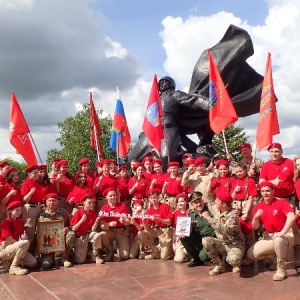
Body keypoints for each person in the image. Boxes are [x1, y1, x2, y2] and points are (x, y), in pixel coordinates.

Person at [247, 181, 295, 281]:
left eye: (268, 191)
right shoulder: (259, 206)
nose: (265, 193)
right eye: (263, 191)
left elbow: (291, 217)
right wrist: (256, 218)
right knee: (251, 254)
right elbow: (255, 227)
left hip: (286, 235)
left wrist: (282, 232)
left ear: (273, 191)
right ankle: (273, 256)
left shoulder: (281, 202)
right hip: (269, 236)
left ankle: (281, 269)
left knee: (278, 240)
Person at [202, 192, 245, 276]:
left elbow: (225, 229)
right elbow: (206, 204)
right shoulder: (217, 210)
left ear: (224, 204)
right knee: (206, 241)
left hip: (234, 245)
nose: (215, 201)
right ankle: (219, 265)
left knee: (234, 260)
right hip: (221, 244)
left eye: (217, 200)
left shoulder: (233, 216)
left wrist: (208, 218)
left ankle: (236, 263)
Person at [0, 201, 37, 275]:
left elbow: (22, 235)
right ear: (10, 211)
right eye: (16, 210)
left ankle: (9, 262)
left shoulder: (19, 221)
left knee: (33, 262)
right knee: (25, 243)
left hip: (16, 247)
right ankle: (14, 267)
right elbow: (9, 240)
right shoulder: (5, 222)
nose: (19, 212)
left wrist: (24, 237)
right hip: (5, 248)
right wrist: (21, 243)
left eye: (20, 210)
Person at [39, 193, 75, 269]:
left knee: (71, 234)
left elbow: (72, 224)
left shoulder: (63, 212)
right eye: (50, 201)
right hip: (47, 243)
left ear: (57, 202)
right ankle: (49, 256)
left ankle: (64, 257)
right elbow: (39, 232)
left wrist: (67, 228)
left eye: (53, 200)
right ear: (46, 202)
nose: (51, 202)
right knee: (46, 265)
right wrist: (42, 247)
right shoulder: (42, 214)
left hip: (61, 239)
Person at [180, 192, 215, 267]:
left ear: (202, 200)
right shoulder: (191, 215)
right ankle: (196, 259)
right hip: (201, 240)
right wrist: (185, 233)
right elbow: (192, 230)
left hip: (212, 240)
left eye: (199, 201)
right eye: (195, 203)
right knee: (184, 238)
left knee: (203, 257)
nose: (198, 204)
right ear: (192, 205)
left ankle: (216, 257)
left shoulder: (211, 210)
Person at [138, 188, 173, 260]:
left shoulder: (165, 206)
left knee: (164, 257)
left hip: (165, 230)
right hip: (157, 230)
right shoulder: (150, 210)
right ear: (149, 199)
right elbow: (147, 228)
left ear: (158, 197)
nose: (153, 199)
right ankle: (156, 251)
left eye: (155, 197)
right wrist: (143, 220)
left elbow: (169, 222)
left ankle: (170, 251)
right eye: (151, 198)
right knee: (141, 234)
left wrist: (158, 219)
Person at [70, 193, 103, 264]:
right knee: (80, 261)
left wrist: (97, 220)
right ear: (83, 203)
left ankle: (96, 255)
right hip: (80, 237)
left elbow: (93, 229)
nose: (91, 204)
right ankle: (74, 252)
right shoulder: (78, 213)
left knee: (97, 235)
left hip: (88, 234)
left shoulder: (93, 213)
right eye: (89, 202)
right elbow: (73, 229)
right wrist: (81, 220)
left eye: (92, 203)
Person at [99, 187, 130, 262]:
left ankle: (119, 246)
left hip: (121, 231)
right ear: (106, 197)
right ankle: (110, 250)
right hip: (110, 231)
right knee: (103, 234)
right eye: (110, 196)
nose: (113, 197)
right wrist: (109, 224)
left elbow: (128, 222)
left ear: (116, 196)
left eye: (114, 195)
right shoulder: (104, 209)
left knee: (125, 256)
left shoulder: (122, 206)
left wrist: (123, 221)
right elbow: (102, 225)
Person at [21, 164, 44, 253]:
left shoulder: (36, 184)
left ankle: (35, 253)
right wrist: (30, 193)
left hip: (38, 207)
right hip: (30, 207)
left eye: (37, 173)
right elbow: (25, 199)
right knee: (30, 232)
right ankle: (27, 254)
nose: (37, 175)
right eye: (34, 173)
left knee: (38, 231)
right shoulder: (25, 184)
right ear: (29, 174)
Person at [172, 193, 189, 263]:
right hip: (180, 238)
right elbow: (174, 229)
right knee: (179, 259)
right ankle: (185, 252)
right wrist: (173, 243)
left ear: (186, 202)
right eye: (178, 202)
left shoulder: (190, 212)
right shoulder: (175, 214)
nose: (180, 203)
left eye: (182, 201)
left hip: (189, 238)